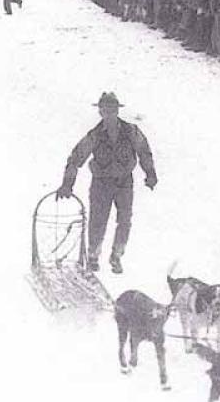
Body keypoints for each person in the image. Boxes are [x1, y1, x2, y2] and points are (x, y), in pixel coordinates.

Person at [57, 92, 158, 274]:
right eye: (105, 110)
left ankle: (116, 256)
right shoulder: (94, 135)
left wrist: (150, 173)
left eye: (112, 110)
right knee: (98, 221)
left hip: (124, 183)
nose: (109, 113)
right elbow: (76, 158)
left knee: (124, 221)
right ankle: (93, 256)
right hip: (101, 184)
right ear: (100, 112)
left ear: (117, 111)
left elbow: (144, 151)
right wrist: (67, 184)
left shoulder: (131, 131)